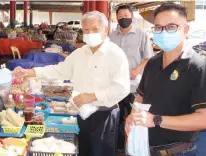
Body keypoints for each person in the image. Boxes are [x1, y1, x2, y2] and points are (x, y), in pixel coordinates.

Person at [14, 11, 130, 156]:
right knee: (83, 149)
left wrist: (93, 96)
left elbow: (122, 88)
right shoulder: (80, 53)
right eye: (86, 30)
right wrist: (31, 72)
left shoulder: (115, 54)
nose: (90, 33)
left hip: (104, 116)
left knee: (101, 152)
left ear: (105, 30)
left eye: (95, 29)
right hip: (82, 113)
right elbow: (59, 70)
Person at [125, 3, 206, 155]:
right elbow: (141, 96)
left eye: (171, 27)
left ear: (185, 30)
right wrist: (133, 116)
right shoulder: (153, 62)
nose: (163, 32)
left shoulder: (197, 67)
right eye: (159, 27)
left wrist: (156, 120)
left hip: (177, 151)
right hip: (144, 147)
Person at [109, 5, 153, 93]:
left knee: (133, 105)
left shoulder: (141, 34)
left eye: (126, 15)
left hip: (135, 82)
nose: (123, 18)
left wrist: (137, 70)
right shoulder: (111, 36)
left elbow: (148, 58)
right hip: (115, 82)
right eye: (120, 16)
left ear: (132, 17)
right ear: (117, 18)